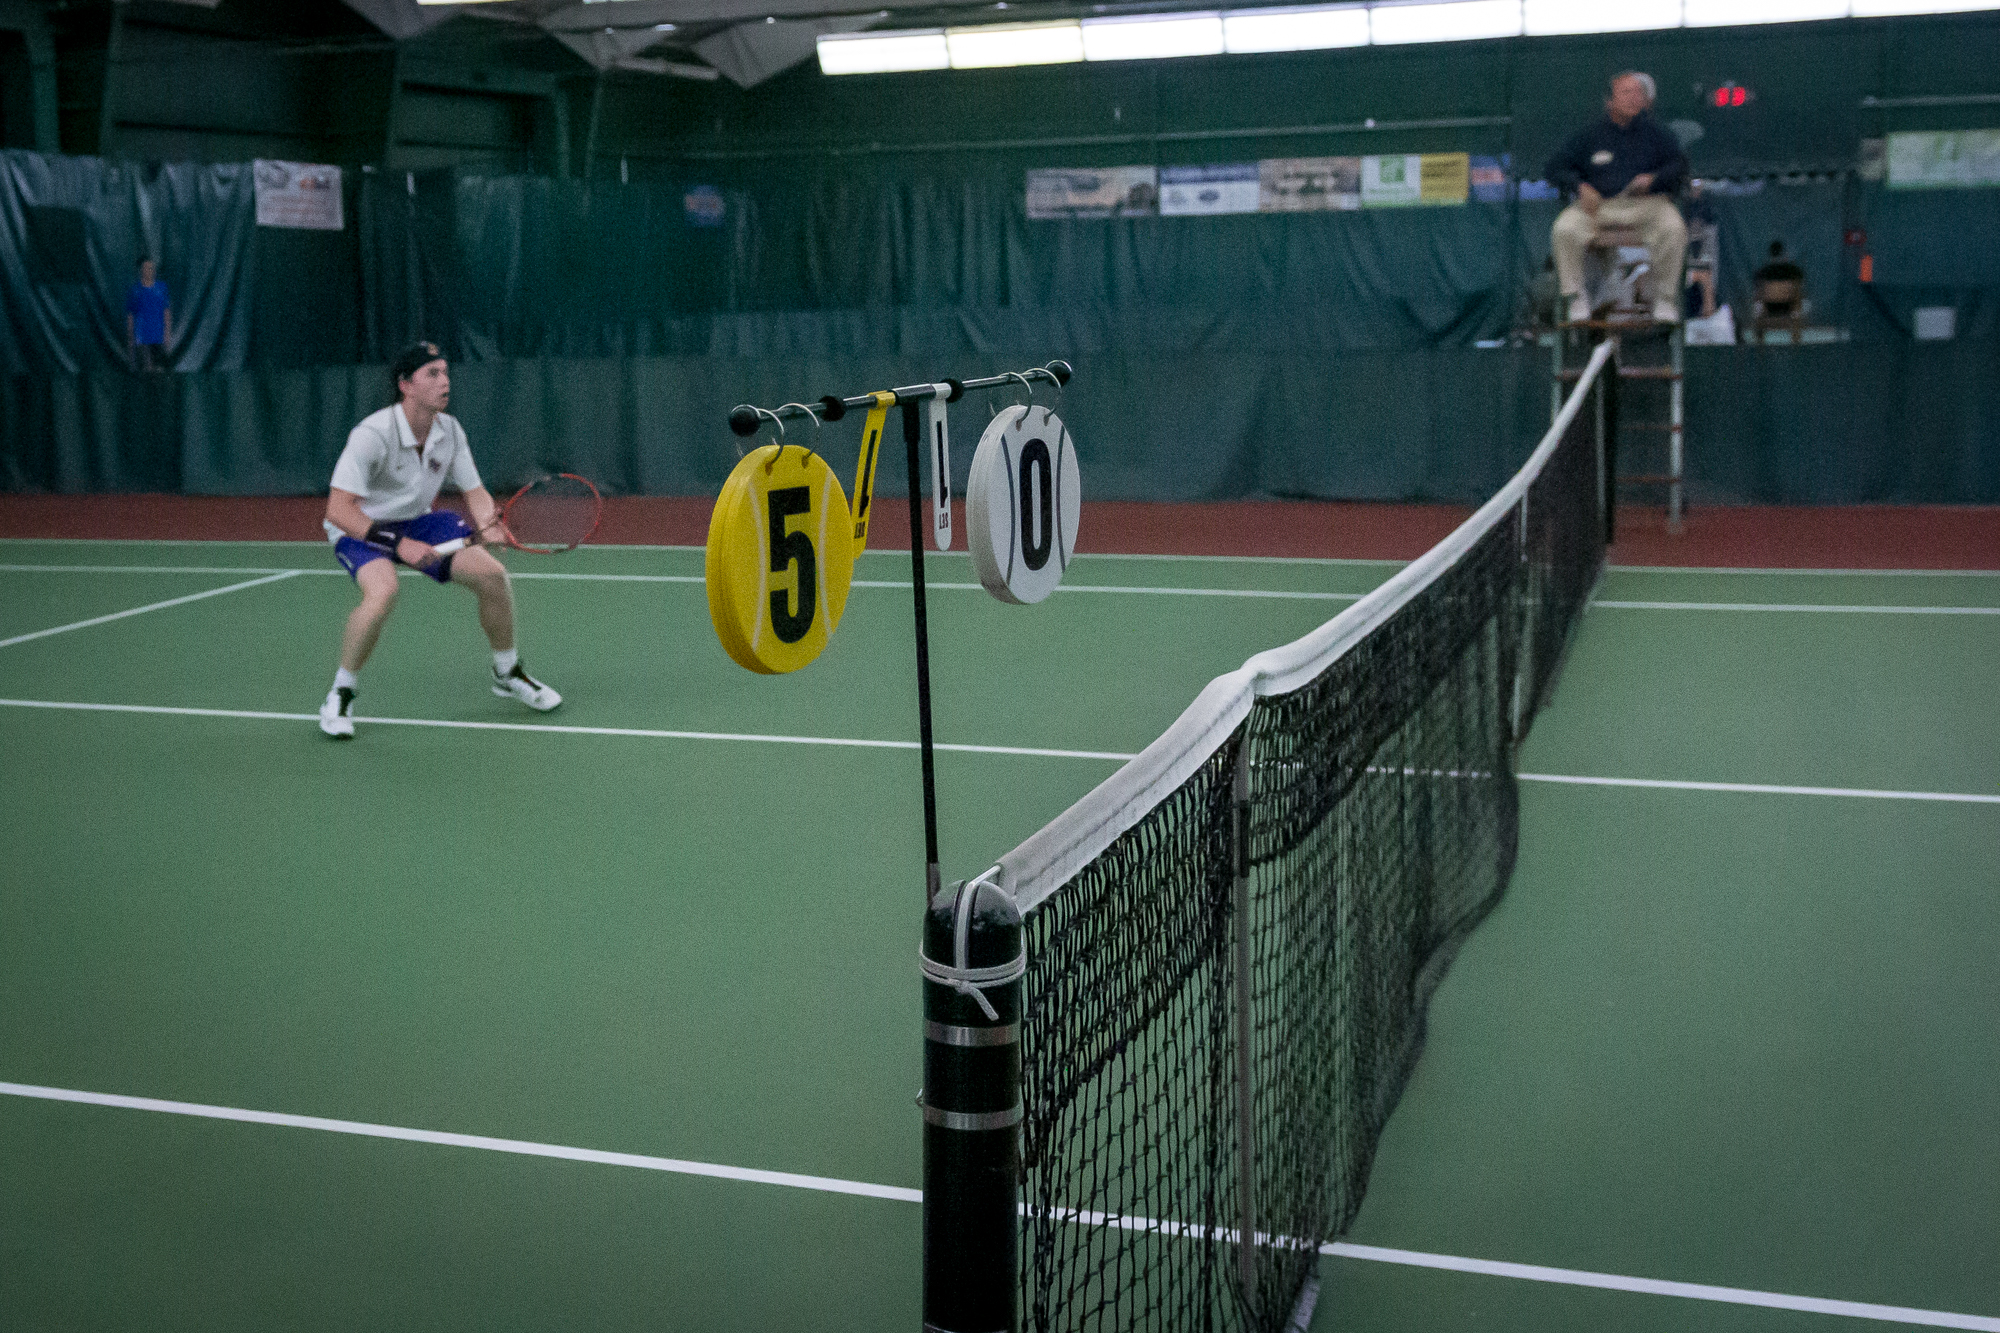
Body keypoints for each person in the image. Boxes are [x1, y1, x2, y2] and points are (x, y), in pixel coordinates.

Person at [318, 340, 561, 739]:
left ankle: (507, 672)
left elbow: (475, 490)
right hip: (362, 526)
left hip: (417, 521)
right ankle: (341, 692)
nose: (444, 381)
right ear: (406, 385)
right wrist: (398, 547)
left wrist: (489, 521)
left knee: (493, 576)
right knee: (382, 593)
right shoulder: (372, 434)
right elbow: (338, 510)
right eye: (432, 374)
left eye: (446, 373)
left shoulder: (449, 431)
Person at [1545, 71, 1689, 325]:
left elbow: (1679, 166)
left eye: (1639, 93)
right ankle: (1576, 297)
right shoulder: (1588, 136)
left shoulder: (1658, 134)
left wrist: (1653, 180)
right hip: (1599, 206)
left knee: (1673, 226)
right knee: (1564, 228)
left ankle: (1665, 299)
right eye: (1626, 92)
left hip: (1646, 205)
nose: (1635, 98)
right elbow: (1554, 168)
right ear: (1609, 101)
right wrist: (1579, 186)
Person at [124, 258, 173, 371]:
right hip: (141, 337)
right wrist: (130, 335)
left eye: (151, 268)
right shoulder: (134, 290)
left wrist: (167, 332)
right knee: (147, 368)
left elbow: (167, 311)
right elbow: (130, 314)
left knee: (160, 369)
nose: (149, 270)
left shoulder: (162, 288)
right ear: (141, 270)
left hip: (158, 336)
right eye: (146, 268)